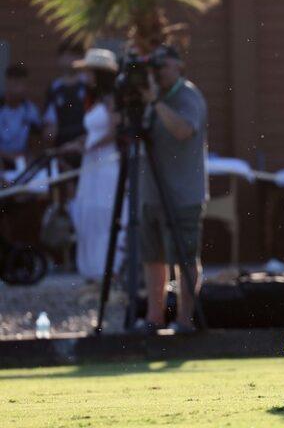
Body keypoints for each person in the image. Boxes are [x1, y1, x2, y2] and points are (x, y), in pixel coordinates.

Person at [136, 44, 208, 334]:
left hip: (183, 195)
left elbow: (183, 130)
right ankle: (154, 318)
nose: (158, 73)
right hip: (150, 194)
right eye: (154, 69)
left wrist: (155, 103)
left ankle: (184, 319)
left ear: (179, 66)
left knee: (185, 258)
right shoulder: (149, 99)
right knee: (152, 257)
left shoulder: (187, 95)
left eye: (163, 66)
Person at [59, 49, 124, 281]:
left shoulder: (111, 98)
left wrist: (89, 146)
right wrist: (77, 144)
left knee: (104, 215)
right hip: (91, 165)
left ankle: (109, 270)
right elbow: (93, 132)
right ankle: (92, 271)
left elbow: (115, 130)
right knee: (88, 214)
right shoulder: (94, 100)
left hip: (106, 164)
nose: (85, 75)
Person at [43, 41, 88, 164]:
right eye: (66, 55)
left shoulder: (88, 85)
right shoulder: (54, 88)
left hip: (85, 144)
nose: (70, 60)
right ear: (59, 58)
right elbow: (50, 121)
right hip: (62, 147)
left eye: (74, 55)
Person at [0, 63, 42, 171]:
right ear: (7, 83)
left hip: (21, 160)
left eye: (21, 83)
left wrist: (29, 157)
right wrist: (8, 156)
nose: (17, 87)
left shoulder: (31, 110)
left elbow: (36, 141)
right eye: (13, 82)